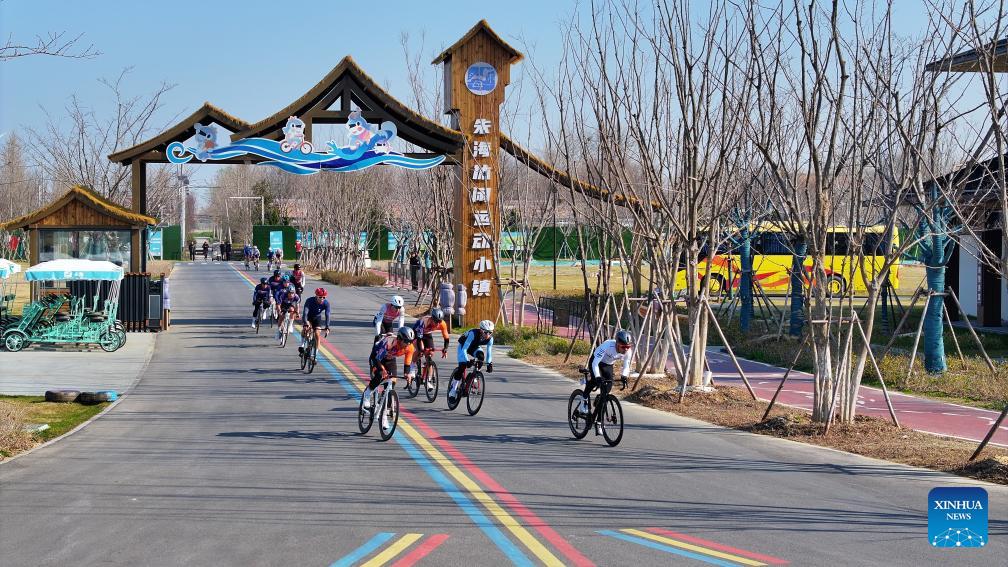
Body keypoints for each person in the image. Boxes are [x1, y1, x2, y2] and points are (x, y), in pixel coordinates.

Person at [580, 330, 633, 435]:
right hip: (596, 362)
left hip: (608, 365)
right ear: (617, 344)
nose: (626, 349)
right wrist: (597, 377)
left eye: (628, 347)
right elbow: (595, 363)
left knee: (605, 394)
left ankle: (599, 422)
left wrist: (624, 376)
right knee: (595, 380)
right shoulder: (607, 345)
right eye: (623, 347)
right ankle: (584, 399)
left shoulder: (628, 351)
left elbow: (626, 364)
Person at [364, 326, 416, 409]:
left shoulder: (410, 347)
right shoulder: (388, 342)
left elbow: (407, 363)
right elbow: (377, 359)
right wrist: (382, 370)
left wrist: (407, 374)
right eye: (406, 341)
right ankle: (367, 393)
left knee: (392, 382)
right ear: (399, 338)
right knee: (380, 375)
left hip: (390, 360)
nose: (408, 344)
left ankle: (383, 402)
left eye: (410, 342)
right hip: (377, 358)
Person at [451, 320, 495, 398]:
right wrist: (467, 361)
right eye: (486, 332)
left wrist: (489, 363)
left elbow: (489, 353)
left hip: (474, 347)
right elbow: (464, 349)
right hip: (463, 346)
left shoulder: (490, 339)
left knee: (481, 357)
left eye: (490, 332)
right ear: (481, 330)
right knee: (462, 366)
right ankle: (453, 390)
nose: (488, 335)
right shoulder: (473, 333)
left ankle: (473, 377)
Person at [299, 287, 331, 353]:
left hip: (317, 318)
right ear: (316, 296)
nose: (322, 299)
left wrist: (327, 327)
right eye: (320, 297)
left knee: (317, 333)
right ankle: (302, 345)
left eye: (324, 297)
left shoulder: (326, 303)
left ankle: (315, 353)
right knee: (305, 329)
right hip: (308, 316)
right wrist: (305, 323)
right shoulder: (309, 301)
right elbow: (305, 312)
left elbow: (327, 315)